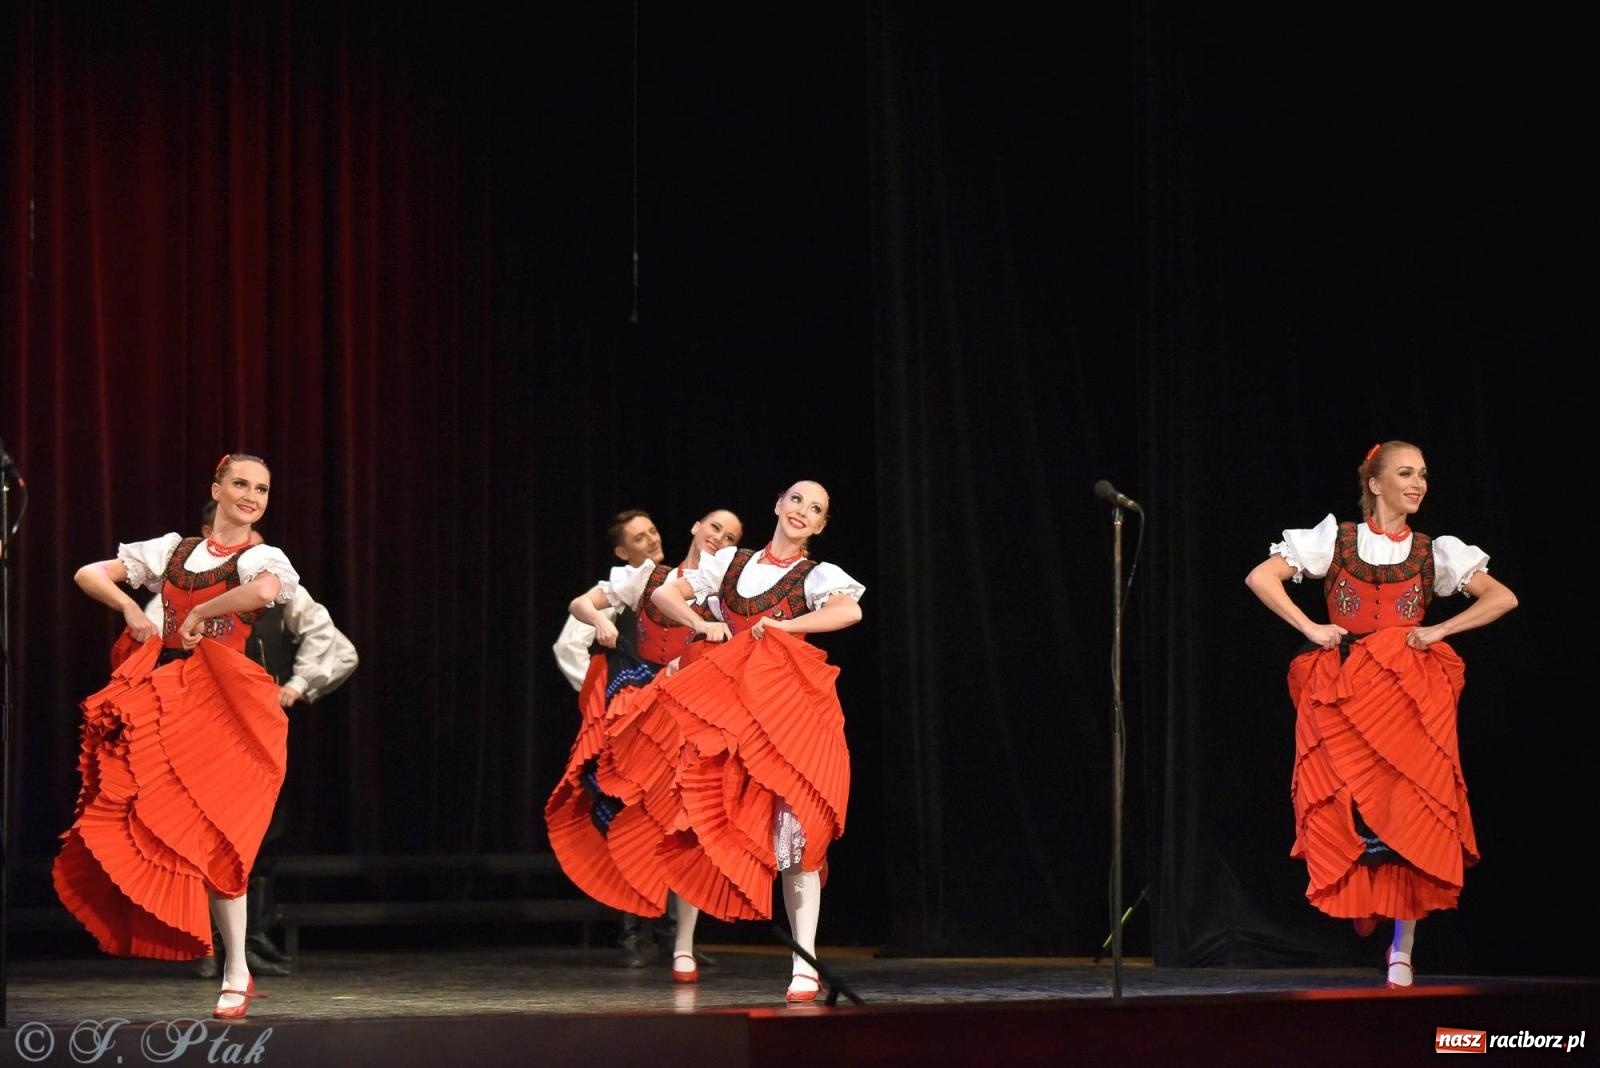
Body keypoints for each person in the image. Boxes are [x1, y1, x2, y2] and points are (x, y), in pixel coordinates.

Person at [1244, 441, 1517, 989]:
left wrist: (1439, 629)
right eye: (1405, 473)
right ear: (1375, 483)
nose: (1418, 484)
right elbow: (1260, 576)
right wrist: (1311, 628)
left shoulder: (1433, 550)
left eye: (1422, 474)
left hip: (1408, 693)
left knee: (1410, 811)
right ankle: (1362, 898)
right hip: (1344, 685)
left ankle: (1403, 948)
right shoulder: (1338, 539)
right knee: (1346, 804)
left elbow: (1502, 597)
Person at [56, 453, 298, 1019]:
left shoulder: (261, 556)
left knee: (223, 834)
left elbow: (262, 593)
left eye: (261, 489)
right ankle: (207, 947)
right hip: (170, 696)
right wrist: (130, 612)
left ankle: (236, 967)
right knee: (150, 816)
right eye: (240, 484)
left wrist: (203, 610)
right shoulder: (172, 550)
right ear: (216, 488)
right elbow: (87, 573)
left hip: (226, 703)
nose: (250, 496)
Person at [649, 480, 864, 1002]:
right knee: (703, 816)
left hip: (788, 714)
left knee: (797, 834)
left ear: (819, 526)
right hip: (730, 709)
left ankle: (804, 962)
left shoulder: (817, 575)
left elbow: (849, 611)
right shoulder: (729, 563)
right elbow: (663, 593)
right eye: (796, 500)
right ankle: (684, 943)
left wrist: (788, 629)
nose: (802, 511)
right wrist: (701, 622)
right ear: (778, 504)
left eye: (815, 509)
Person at [545, 508, 742, 969]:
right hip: (637, 712)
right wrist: (602, 696)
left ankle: (680, 938)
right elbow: (572, 633)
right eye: (714, 527)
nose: (651, 539)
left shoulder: (710, 585)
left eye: (653, 530)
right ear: (696, 526)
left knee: (683, 816)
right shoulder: (640, 581)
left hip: (683, 709)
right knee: (634, 815)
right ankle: (635, 930)